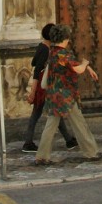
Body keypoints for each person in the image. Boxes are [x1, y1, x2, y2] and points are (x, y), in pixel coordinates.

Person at [35, 24, 101, 165]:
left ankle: (41, 156)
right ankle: (91, 152)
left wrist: (86, 67)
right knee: (79, 124)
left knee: (50, 126)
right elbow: (77, 69)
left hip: (53, 95)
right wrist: (85, 64)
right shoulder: (63, 54)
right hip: (65, 97)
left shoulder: (52, 52)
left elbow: (70, 64)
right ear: (65, 38)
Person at [22, 23, 77, 152]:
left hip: (43, 87)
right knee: (39, 114)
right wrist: (33, 92)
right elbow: (38, 72)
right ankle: (28, 143)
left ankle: (69, 140)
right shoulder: (45, 50)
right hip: (43, 88)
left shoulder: (44, 48)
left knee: (54, 113)